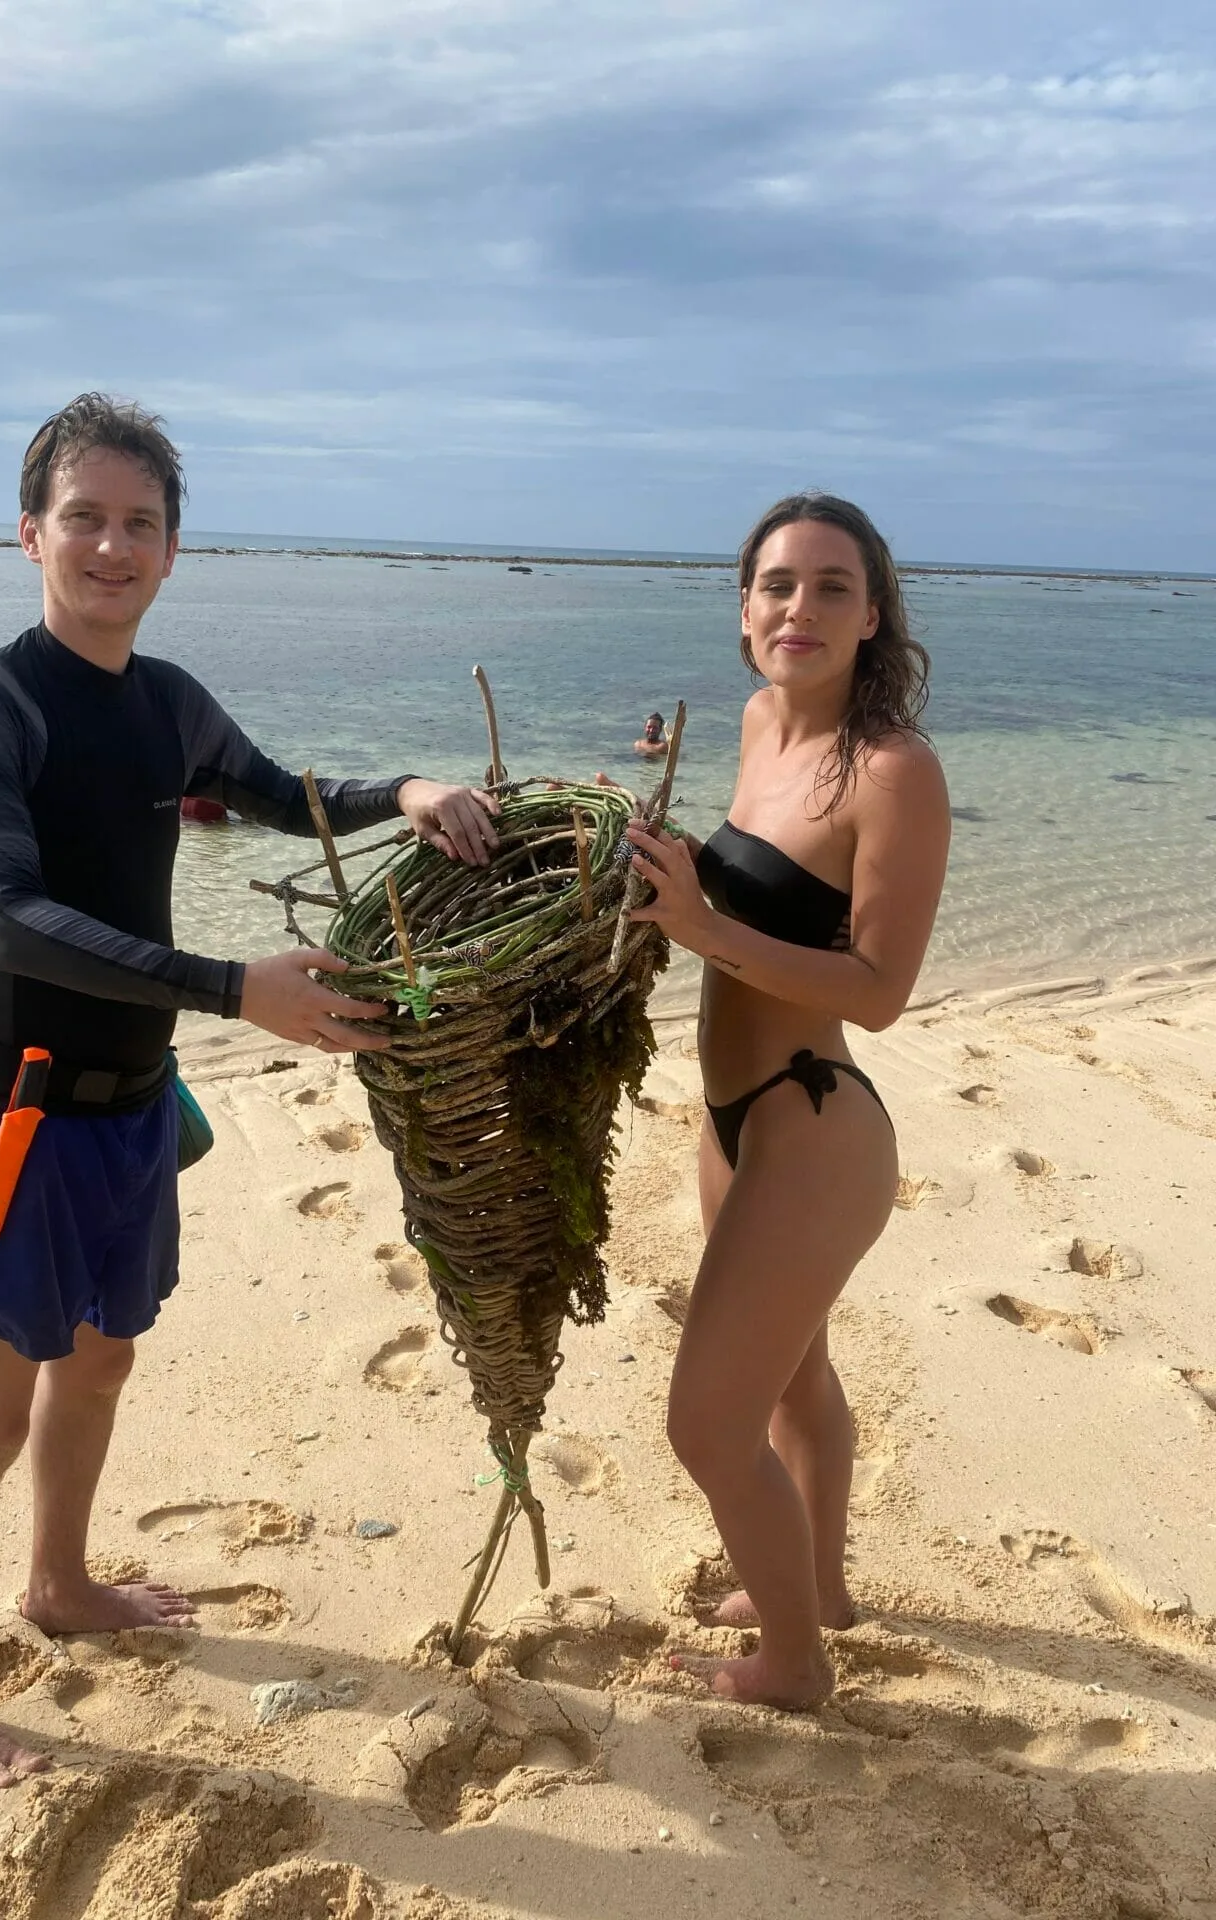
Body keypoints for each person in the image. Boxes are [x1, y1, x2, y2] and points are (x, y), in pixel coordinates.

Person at [0, 392, 501, 1796]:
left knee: (102, 1361)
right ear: (30, 534)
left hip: (129, 1109)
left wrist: (405, 789)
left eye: (142, 524)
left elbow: (288, 792)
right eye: (86, 518)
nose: (113, 546)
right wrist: (239, 989)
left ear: (173, 550)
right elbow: (11, 918)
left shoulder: (167, 704)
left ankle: (58, 1580)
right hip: (9, 1113)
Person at [625, 492, 949, 1710]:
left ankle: (796, 1664)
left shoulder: (896, 772)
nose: (798, 607)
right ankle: (819, 1582)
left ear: (874, 616)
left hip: (818, 1125)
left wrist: (702, 924)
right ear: (743, 606)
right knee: (797, 1381)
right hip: (733, 1119)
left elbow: (880, 992)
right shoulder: (761, 723)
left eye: (829, 587)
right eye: (776, 583)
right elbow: (749, 891)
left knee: (710, 1427)